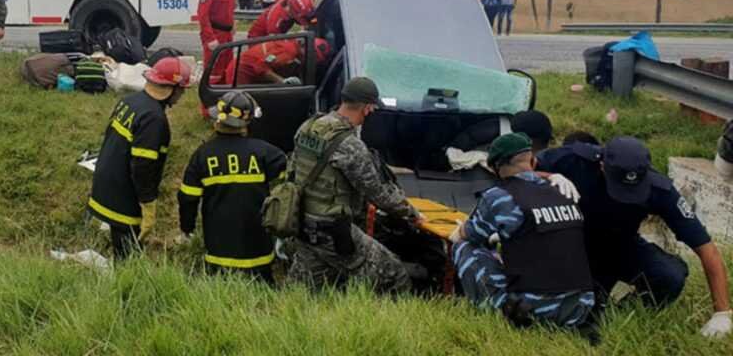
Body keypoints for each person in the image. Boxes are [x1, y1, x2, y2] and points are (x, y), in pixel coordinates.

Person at [537, 136, 732, 338]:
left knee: (670, 276)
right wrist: (547, 177)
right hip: (571, 244)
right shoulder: (573, 160)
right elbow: (515, 171)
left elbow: (706, 248)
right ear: (602, 166)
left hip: (620, 246)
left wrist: (722, 313)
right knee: (571, 318)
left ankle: (620, 315)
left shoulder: (660, 190)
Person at [288, 77, 423, 294]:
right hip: (333, 231)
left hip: (303, 223)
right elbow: (378, 194)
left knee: (306, 293)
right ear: (368, 108)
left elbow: (293, 171)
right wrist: (411, 213)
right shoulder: (350, 145)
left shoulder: (309, 126)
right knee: (394, 273)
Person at [450, 133, 595, 330]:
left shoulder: (499, 196)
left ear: (494, 168)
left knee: (463, 247)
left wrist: (459, 231)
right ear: (534, 161)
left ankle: (485, 313)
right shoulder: (564, 189)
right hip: (579, 309)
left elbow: (469, 235)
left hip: (532, 312)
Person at [88, 57, 192, 258]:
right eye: (182, 89)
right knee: (129, 255)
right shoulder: (154, 119)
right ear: (171, 89)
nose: (182, 94)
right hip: (124, 195)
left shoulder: (130, 102)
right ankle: (125, 286)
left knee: (120, 243)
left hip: (106, 183)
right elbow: (143, 167)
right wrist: (148, 205)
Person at [177, 91, 287, 282]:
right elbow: (290, 181)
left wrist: (187, 228)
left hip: (219, 252)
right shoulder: (265, 152)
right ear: (248, 123)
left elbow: (188, 197)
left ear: (217, 120)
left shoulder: (202, 155)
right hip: (258, 252)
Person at [198, 0, 243, 85]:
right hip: (215, 35)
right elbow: (202, 14)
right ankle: (208, 105)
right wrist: (210, 38)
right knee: (213, 74)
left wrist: (232, 22)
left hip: (227, 35)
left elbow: (229, 6)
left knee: (228, 71)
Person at [226, 38, 329, 86]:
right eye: (313, 58)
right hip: (240, 71)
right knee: (238, 105)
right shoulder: (289, 53)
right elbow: (260, 67)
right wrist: (283, 82)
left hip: (245, 69)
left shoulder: (292, 46)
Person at [247, 0, 314, 39]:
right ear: (292, 12)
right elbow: (275, 43)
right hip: (258, 38)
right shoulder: (276, 22)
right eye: (303, 17)